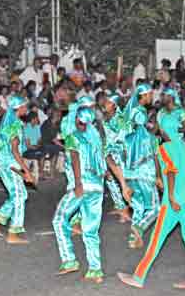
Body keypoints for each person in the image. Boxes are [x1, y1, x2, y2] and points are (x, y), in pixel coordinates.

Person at [117, 105, 185, 291]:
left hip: (172, 202)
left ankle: (138, 277)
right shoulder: (184, 147)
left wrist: (170, 194)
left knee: (156, 239)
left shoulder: (164, 148)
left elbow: (170, 172)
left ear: (164, 130)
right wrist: (181, 182)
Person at [52, 105, 107, 283]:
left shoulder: (73, 137)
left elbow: (75, 158)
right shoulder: (95, 140)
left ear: (77, 119)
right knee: (90, 230)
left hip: (82, 185)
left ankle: (69, 260)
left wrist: (77, 183)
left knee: (59, 219)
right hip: (97, 187)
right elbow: (102, 169)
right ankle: (95, 269)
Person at [0, 96, 35, 244]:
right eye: (25, 105)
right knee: (19, 196)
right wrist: (27, 171)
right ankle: (13, 232)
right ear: (18, 108)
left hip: (6, 164)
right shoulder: (14, 125)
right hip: (10, 164)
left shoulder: (11, 122)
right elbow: (15, 151)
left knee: (20, 195)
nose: (27, 108)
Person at [123, 84, 160, 249]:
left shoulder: (128, 135)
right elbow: (154, 155)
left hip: (130, 173)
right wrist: (158, 176)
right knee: (154, 208)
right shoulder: (146, 137)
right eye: (150, 94)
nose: (151, 96)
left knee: (138, 206)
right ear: (143, 96)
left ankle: (134, 239)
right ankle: (139, 227)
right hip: (145, 172)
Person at [102, 94, 133, 223]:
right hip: (108, 155)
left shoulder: (121, 120)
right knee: (110, 181)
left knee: (122, 181)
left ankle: (127, 209)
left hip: (120, 155)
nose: (105, 104)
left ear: (114, 105)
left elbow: (127, 138)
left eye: (108, 102)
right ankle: (121, 207)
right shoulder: (106, 119)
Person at [23, 112, 45, 180]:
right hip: (27, 149)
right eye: (36, 118)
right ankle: (33, 172)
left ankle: (40, 173)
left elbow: (39, 140)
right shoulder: (26, 128)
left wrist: (39, 145)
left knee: (43, 151)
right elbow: (28, 145)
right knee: (39, 153)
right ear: (32, 119)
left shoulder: (37, 127)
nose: (38, 119)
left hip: (35, 147)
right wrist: (36, 147)